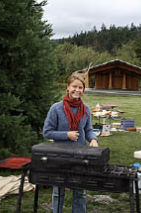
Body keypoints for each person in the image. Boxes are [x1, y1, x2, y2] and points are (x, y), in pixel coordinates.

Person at [43, 72, 98, 213]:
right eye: (74, 86)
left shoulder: (86, 109)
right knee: (58, 192)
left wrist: (92, 139)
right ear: (67, 87)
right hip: (60, 156)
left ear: (83, 90)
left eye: (80, 87)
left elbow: (89, 129)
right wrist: (66, 135)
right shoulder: (56, 108)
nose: (77, 90)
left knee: (80, 191)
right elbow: (47, 132)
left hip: (80, 156)